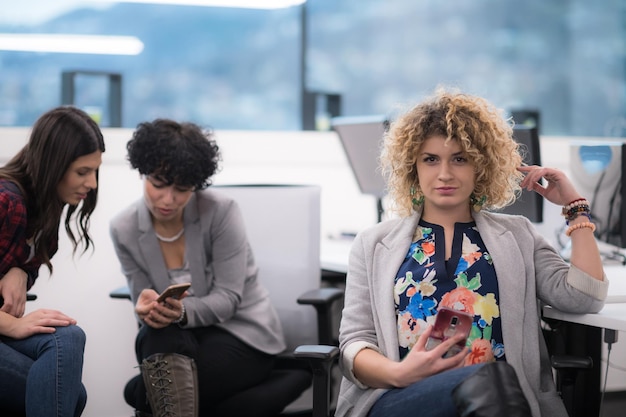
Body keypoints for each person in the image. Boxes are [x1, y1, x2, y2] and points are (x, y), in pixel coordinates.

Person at [336, 88, 608, 417]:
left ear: (481, 166)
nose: (445, 174)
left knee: (491, 384)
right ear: (413, 167)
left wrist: (575, 208)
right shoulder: (373, 243)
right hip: (403, 398)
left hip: (500, 400)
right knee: (488, 383)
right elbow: (355, 344)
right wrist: (400, 373)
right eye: (431, 159)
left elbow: (583, 297)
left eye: (460, 159)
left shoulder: (517, 235)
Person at [109, 119, 287, 417]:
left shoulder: (220, 211)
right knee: (152, 336)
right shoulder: (123, 228)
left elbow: (229, 298)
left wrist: (180, 311)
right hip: (184, 339)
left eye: (182, 189)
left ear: (197, 184)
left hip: (242, 335)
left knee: (142, 392)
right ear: (143, 173)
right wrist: (148, 309)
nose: (169, 199)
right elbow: (145, 301)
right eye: (158, 184)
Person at [0, 106, 105, 417]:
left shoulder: (43, 206)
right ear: (53, 164)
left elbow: (24, 260)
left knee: (70, 336)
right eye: (82, 172)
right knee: (72, 395)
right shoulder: (5, 201)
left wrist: (20, 270)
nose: (93, 183)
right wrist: (14, 325)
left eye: (95, 171)